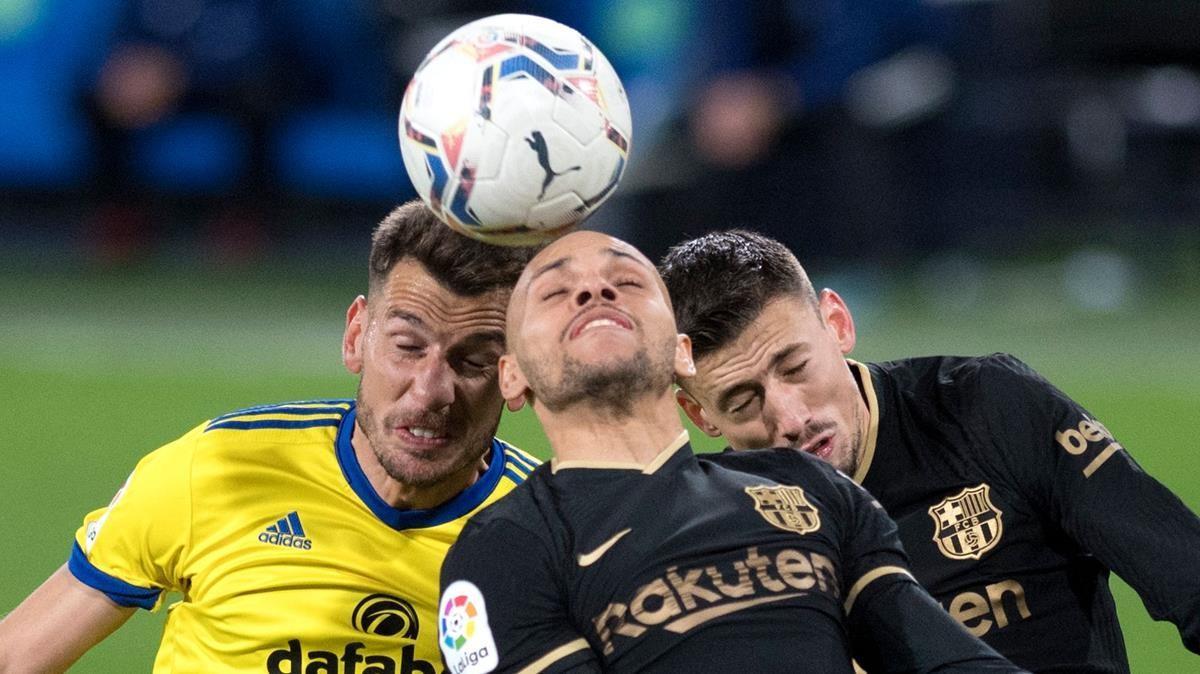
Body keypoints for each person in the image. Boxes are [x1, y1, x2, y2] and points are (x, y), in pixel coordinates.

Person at [437, 230, 1024, 673]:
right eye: (556, 292)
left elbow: (948, 660)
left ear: (681, 354)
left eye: (629, 281)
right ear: (511, 378)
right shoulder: (504, 552)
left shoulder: (809, 487)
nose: (595, 290)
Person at [0, 201, 541, 672]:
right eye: (406, 346)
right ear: (356, 336)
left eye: (472, 361)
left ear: (516, 374)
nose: (429, 392)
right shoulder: (217, 470)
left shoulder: (549, 531)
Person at [657, 228, 1200, 672]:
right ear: (700, 415)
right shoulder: (706, 530)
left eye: (796, 368)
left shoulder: (989, 411)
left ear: (837, 324)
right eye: (742, 401)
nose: (791, 420)